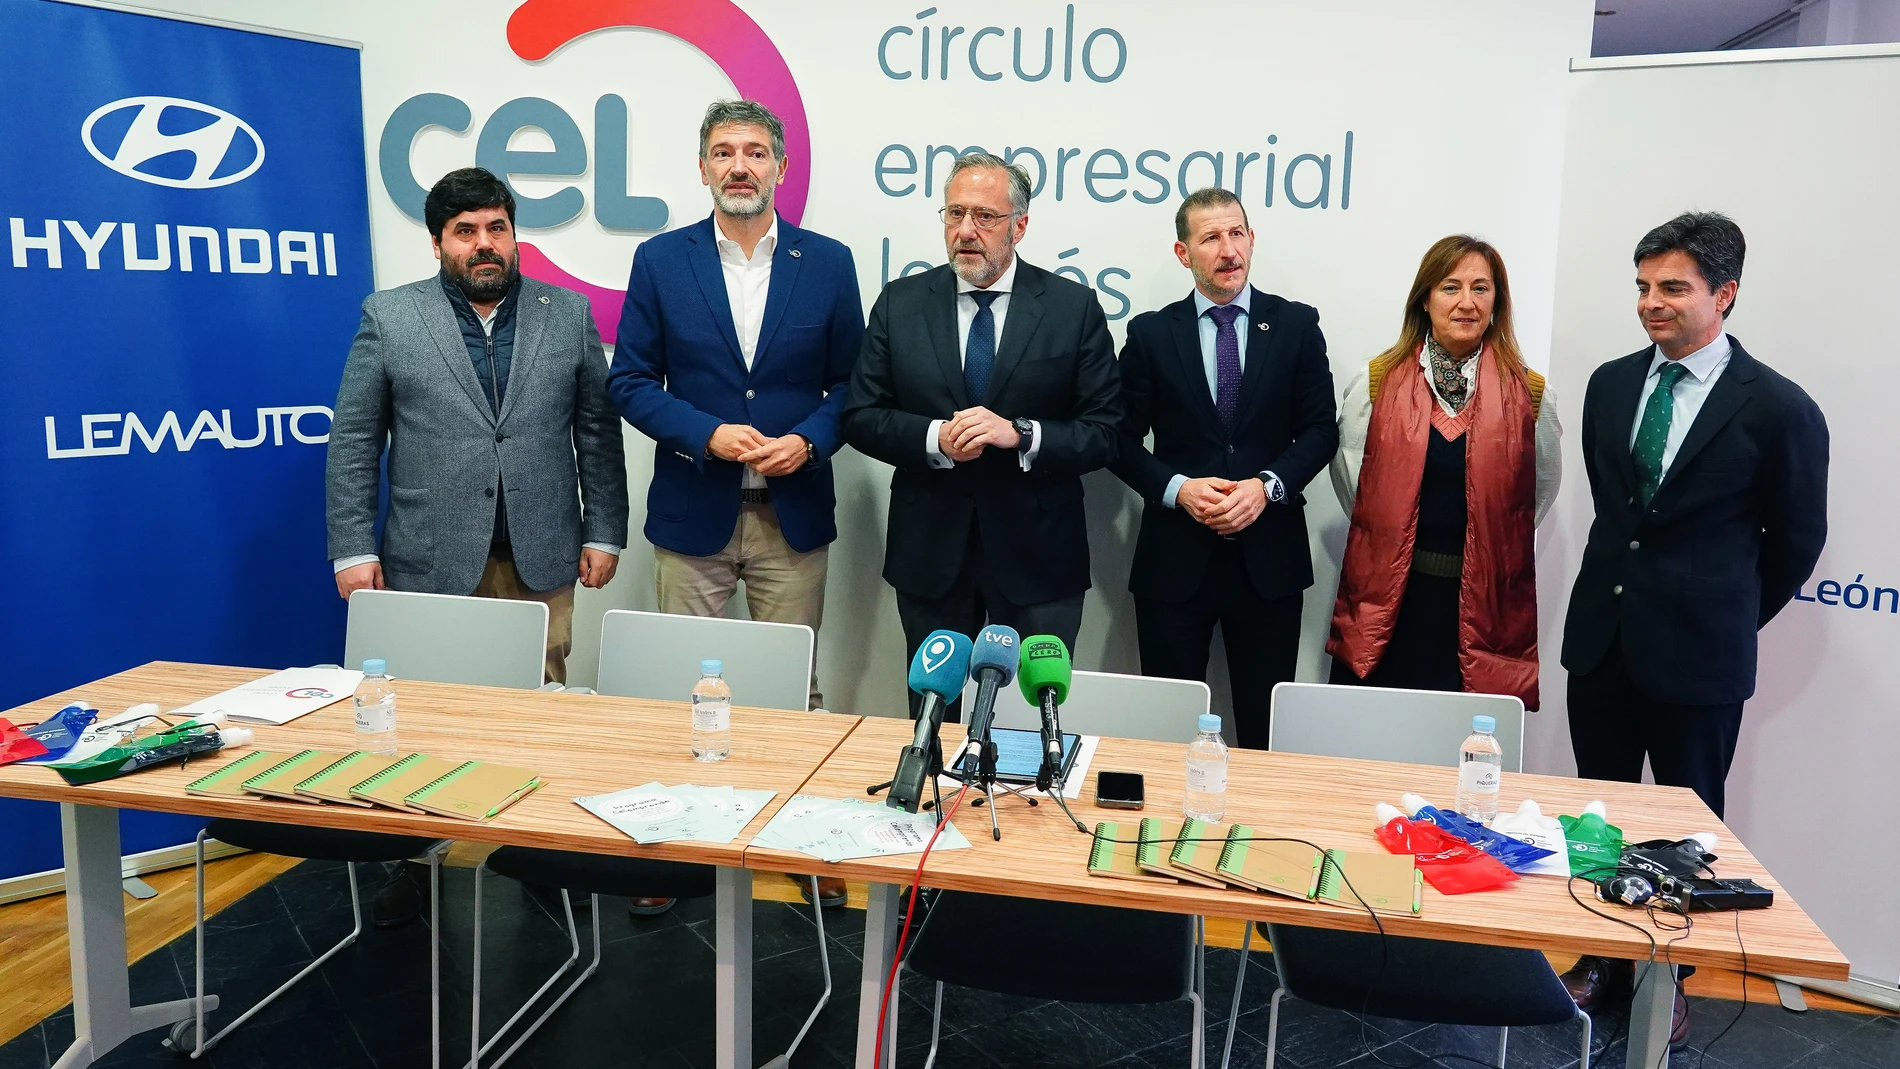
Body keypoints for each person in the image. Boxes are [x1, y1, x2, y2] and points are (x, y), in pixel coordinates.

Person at [326, 166, 628, 923]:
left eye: (497, 227)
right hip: (429, 555)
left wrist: (604, 529)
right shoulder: (390, 317)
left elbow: (597, 432)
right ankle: (412, 857)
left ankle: (538, 856)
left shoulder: (569, 314)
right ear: (438, 242)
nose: (484, 243)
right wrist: (350, 546)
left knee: (541, 709)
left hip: (542, 553)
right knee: (423, 717)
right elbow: (356, 439)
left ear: (514, 234)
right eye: (466, 231)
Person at [1559, 211, 1828, 1041]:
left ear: (1726, 293)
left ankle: (1667, 982)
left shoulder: (1780, 408)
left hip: (1699, 660)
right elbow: (1618, 514)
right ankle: (1600, 958)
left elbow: (1796, 543)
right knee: (1596, 821)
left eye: (1672, 287)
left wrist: (1722, 618)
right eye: (1642, 286)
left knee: (1687, 835)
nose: (1650, 303)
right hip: (1602, 645)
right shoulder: (1609, 383)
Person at [607, 100, 863, 911]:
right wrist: (707, 434)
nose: (741, 165)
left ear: (782, 168)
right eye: (725, 152)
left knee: (798, 687)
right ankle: (672, 854)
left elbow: (855, 385)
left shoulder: (828, 262)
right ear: (704, 167)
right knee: (682, 690)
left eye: (756, 151)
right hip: (695, 511)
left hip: (792, 513)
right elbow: (631, 381)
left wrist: (812, 441)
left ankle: (804, 841)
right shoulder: (660, 259)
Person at [843, 152, 1120, 716]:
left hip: (1040, 557)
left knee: (1029, 730)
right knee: (931, 722)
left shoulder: (1073, 309)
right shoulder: (900, 304)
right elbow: (861, 415)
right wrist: (934, 441)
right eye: (955, 214)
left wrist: (1022, 435)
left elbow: (1105, 431)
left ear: (1020, 225)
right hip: (931, 553)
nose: (966, 231)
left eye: (985, 217)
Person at [1111, 188, 1337, 749]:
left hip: (1269, 561)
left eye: (1237, 233)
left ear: (1252, 240)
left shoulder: (1296, 325)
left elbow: (1320, 431)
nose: (1228, 249)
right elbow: (1115, 438)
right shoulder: (1151, 335)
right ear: (1184, 253)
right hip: (1174, 563)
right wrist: (1177, 489)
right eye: (1211, 238)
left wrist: (1268, 487)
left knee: (1265, 732)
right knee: (1168, 732)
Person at [1327, 236, 1560, 709]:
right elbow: (1352, 483)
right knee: (1373, 741)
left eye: (1481, 288)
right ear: (1425, 299)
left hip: (1480, 607)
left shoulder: (1530, 395)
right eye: (1450, 287)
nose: (1466, 303)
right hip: (1390, 602)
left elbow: (1534, 495)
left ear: (1498, 302)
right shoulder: (1376, 383)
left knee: (1463, 756)